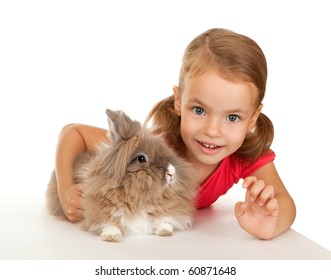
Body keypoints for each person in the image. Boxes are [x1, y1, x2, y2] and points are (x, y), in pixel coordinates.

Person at [54, 28, 296, 240]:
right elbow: (74, 133)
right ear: (179, 101)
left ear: (253, 117)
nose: (212, 131)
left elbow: (286, 204)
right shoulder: (158, 146)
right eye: (199, 110)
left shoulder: (245, 156)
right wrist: (66, 190)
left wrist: (270, 223)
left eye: (232, 117)